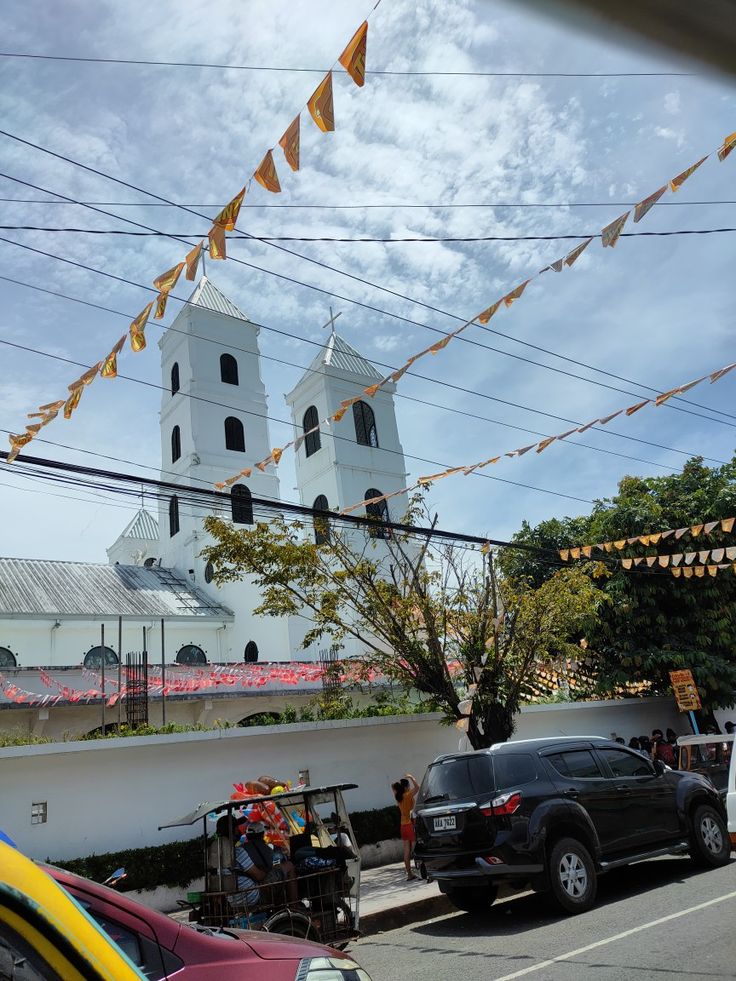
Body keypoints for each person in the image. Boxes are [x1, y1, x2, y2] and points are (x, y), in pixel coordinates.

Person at [232, 820, 298, 909]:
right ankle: (295, 906)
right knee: (289, 865)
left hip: (238, 897)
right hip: (256, 890)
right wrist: (266, 870)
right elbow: (260, 876)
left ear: (247, 835)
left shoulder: (240, 848)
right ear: (262, 834)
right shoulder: (266, 848)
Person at [392, 773, 419, 881]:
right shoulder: (408, 795)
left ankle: (409, 874)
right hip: (411, 824)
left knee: (407, 851)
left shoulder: (398, 797)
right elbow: (417, 787)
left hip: (403, 825)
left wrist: (398, 785)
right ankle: (422, 870)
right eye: (408, 786)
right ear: (406, 787)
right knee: (417, 848)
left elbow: (392, 786)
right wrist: (412, 777)